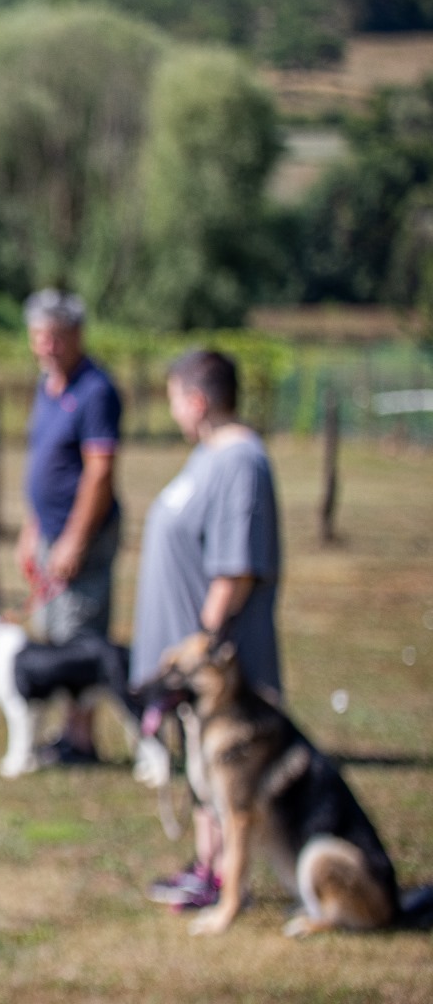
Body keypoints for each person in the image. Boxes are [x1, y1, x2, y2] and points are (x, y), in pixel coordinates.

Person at [134, 349, 284, 911]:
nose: (173, 410)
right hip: (189, 667)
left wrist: (199, 644)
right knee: (200, 765)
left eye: (173, 397)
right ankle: (207, 865)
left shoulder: (240, 461)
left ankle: (225, 874)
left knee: (228, 768)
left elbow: (236, 568)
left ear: (196, 400)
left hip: (217, 664)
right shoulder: (209, 456)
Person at [14, 289, 122, 764]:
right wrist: (31, 529)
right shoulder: (47, 385)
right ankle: (65, 730)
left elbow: (99, 470)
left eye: (55, 337)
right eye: (39, 336)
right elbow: (43, 462)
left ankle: (82, 739)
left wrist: (75, 539)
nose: (46, 346)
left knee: (80, 633)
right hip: (49, 528)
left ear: (77, 335)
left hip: (84, 533)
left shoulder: (96, 390)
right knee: (53, 630)